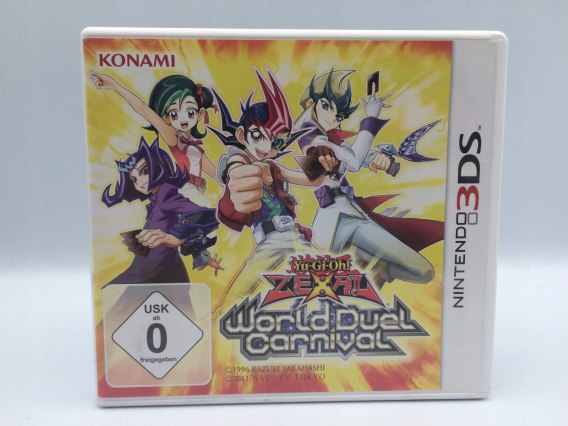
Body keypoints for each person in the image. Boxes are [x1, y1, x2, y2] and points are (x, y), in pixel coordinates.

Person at [294, 69, 443, 286]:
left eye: (339, 115)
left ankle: (373, 266)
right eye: (326, 106)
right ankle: (365, 264)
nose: (333, 116)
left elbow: (357, 156)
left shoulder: (333, 143)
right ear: (310, 104)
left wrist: (380, 159)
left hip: (353, 217)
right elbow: (353, 160)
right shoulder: (312, 140)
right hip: (332, 221)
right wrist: (371, 117)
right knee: (321, 284)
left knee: (423, 271)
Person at [102, 137, 223, 284]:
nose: (139, 182)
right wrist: (203, 257)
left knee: (113, 294)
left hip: (153, 271)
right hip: (159, 269)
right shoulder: (155, 201)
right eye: (134, 179)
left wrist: (175, 237)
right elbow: (190, 225)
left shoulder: (165, 194)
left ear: (158, 166)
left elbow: (206, 215)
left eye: (145, 171)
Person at [90, 71, 218, 205]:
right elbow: (143, 108)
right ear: (166, 118)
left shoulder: (194, 146)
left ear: (200, 114)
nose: (183, 119)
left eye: (190, 112)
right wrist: (115, 85)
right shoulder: (172, 136)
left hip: (194, 195)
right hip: (180, 194)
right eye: (174, 114)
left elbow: (215, 173)